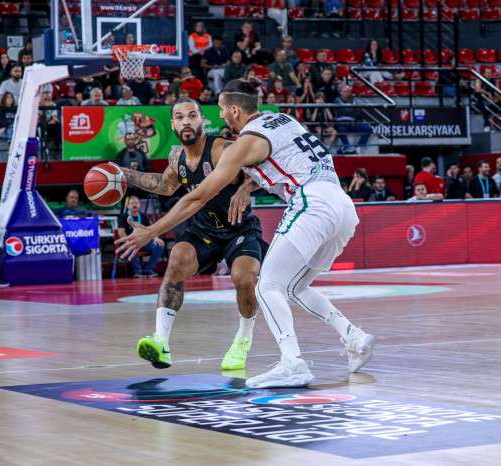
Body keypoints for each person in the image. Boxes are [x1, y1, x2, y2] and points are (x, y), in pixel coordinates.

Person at [116, 79, 375, 388]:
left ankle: (292, 363)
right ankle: (353, 337)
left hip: (311, 203)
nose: (220, 116)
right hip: (341, 204)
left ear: (235, 110)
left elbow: (197, 197)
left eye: (222, 110)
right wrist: (246, 186)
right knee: (295, 287)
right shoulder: (283, 120)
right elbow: (277, 158)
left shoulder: (241, 143)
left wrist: (151, 231)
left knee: (267, 285)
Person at [118, 97, 269, 372]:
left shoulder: (222, 148)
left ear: (202, 120)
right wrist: (123, 174)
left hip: (239, 227)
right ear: (173, 125)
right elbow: (165, 185)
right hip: (204, 229)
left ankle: (243, 340)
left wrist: (246, 187)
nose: (186, 121)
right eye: (179, 117)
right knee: (177, 258)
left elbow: (261, 167)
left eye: (192, 116)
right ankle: (160, 341)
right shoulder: (178, 158)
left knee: (243, 277)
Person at [116, 196, 163, 278]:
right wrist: (129, 241)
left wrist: (156, 238)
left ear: (140, 205)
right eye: (132, 203)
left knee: (159, 245)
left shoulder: (143, 216)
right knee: (131, 246)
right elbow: (121, 232)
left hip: (143, 243)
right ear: (127, 206)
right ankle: (138, 271)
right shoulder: (123, 217)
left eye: (136, 203)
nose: (135, 205)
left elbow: (150, 230)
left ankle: (149, 270)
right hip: (131, 242)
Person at [334, 85, 372, 152]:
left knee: (368, 128)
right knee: (341, 129)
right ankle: (346, 146)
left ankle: (359, 146)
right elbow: (343, 111)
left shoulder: (354, 100)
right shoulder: (337, 100)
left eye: (348, 91)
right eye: (345, 91)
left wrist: (349, 111)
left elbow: (357, 112)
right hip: (342, 124)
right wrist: (351, 111)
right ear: (341, 92)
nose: (347, 93)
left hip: (353, 123)